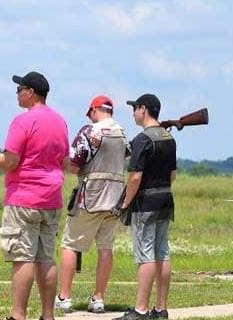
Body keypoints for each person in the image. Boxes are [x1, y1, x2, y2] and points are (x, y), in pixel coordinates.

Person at [0, 71, 69, 320]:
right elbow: (66, 161)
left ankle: (18, 315)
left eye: (19, 89)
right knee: (46, 258)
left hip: (24, 197)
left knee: (22, 258)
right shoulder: (60, 121)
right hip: (52, 198)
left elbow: (10, 161)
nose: (17, 94)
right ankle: (48, 315)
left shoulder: (22, 121)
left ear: (30, 93)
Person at [55, 95, 128, 313]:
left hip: (91, 196)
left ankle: (64, 297)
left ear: (95, 110)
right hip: (115, 197)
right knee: (106, 247)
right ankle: (98, 298)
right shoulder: (122, 133)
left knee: (70, 244)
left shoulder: (90, 131)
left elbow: (75, 166)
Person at [113, 94, 176, 320]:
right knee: (162, 252)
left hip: (145, 203)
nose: (133, 113)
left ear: (143, 109)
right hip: (166, 199)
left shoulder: (142, 139)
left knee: (145, 255)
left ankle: (140, 310)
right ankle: (160, 308)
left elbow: (135, 177)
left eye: (135, 108)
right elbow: (173, 175)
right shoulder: (169, 137)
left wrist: (125, 203)